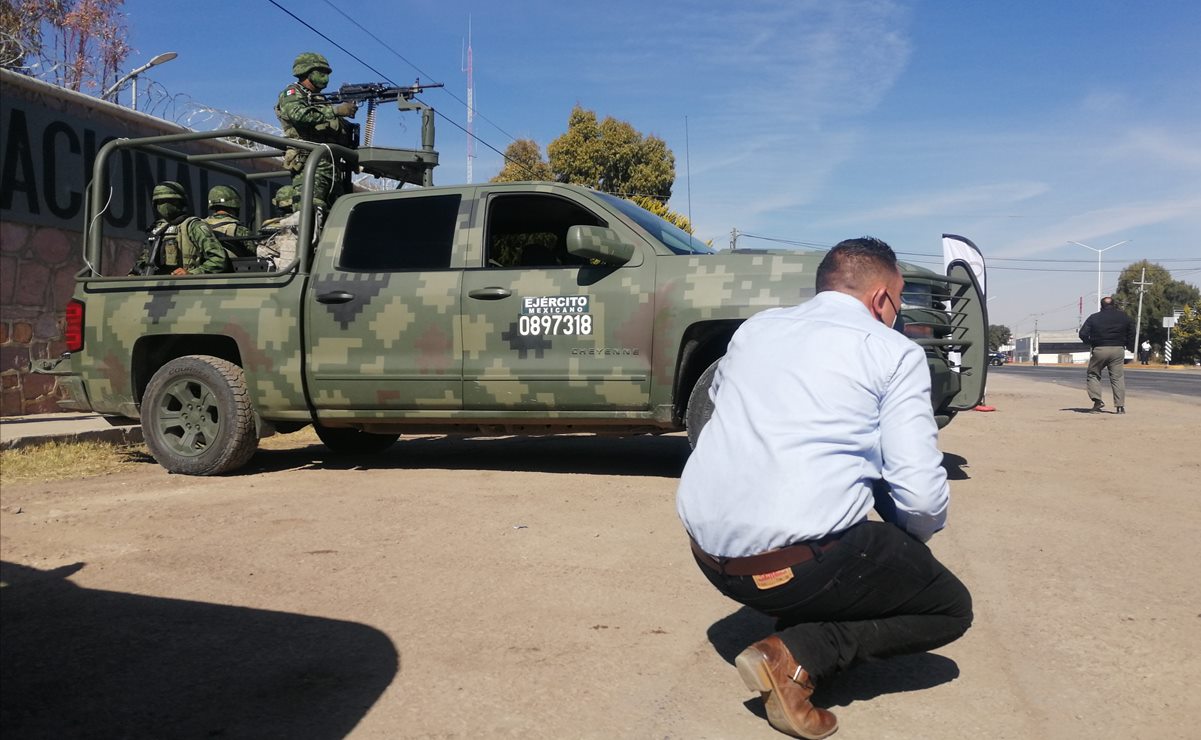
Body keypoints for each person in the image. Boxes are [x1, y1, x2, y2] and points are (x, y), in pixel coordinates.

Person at [676, 237, 972, 739]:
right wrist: (911, 542)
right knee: (947, 605)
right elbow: (920, 498)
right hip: (791, 568)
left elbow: (714, 411)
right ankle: (798, 655)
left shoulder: (756, 329)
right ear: (882, 299)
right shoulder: (892, 351)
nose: (896, 316)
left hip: (707, 554)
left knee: (840, 518)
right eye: (897, 304)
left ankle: (796, 616)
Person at [275, 52, 358, 217]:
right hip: (309, 162)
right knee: (311, 213)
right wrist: (336, 110)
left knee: (337, 215)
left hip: (332, 166)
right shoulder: (292, 93)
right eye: (321, 73)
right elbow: (299, 115)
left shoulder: (321, 99)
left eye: (327, 74)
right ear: (306, 72)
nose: (326, 78)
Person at [131, 181, 228, 276]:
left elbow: (218, 259)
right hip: (153, 287)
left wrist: (192, 273)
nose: (165, 205)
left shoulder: (193, 226)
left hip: (185, 287)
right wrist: (134, 274)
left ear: (181, 202)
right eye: (160, 201)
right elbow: (142, 262)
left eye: (171, 201)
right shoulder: (156, 229)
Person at [1079, 296, 1135, 414]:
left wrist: (1091, 343)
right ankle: (1120, 407)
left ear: (1101, 306)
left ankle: (1097, 401)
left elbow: (1083, 333)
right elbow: (1132, 332)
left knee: (1093, 374)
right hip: (1118, 349)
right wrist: (1129, 345)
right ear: (1114, 305)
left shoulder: (1093, 318)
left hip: (1100, 349)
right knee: (1117, 377)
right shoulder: (1124, 317)